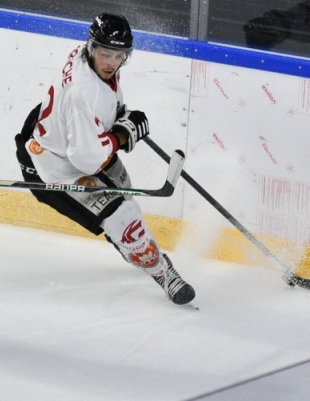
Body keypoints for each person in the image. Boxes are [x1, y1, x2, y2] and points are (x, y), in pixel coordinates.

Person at [14, 13, 196, 306]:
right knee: (123, 218)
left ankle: (134, 246)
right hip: (54, 169)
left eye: (119, 55)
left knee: (126, 197)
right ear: (91, 47)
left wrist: (120, 117)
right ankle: (162, 271)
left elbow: (93, 116)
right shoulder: (83, 92)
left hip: (68, 142)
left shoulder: (89, 60)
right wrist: (123, 135)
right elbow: (86, 159)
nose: (112, 62)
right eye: (106, 54)